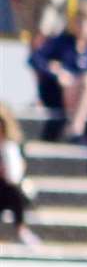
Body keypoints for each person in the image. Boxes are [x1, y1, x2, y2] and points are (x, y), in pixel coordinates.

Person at [27, 0, 87, 142]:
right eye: (80, 22)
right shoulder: (60, 43)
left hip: (78, 97)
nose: (83, 27)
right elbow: (34, 59)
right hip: (57, 94)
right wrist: (55, 72)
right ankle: (76, 129)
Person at [0, 101, 41, 246]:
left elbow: (17, 173)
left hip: (10, 189)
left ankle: (21, 229)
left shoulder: (13, 145)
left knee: (14, 190)